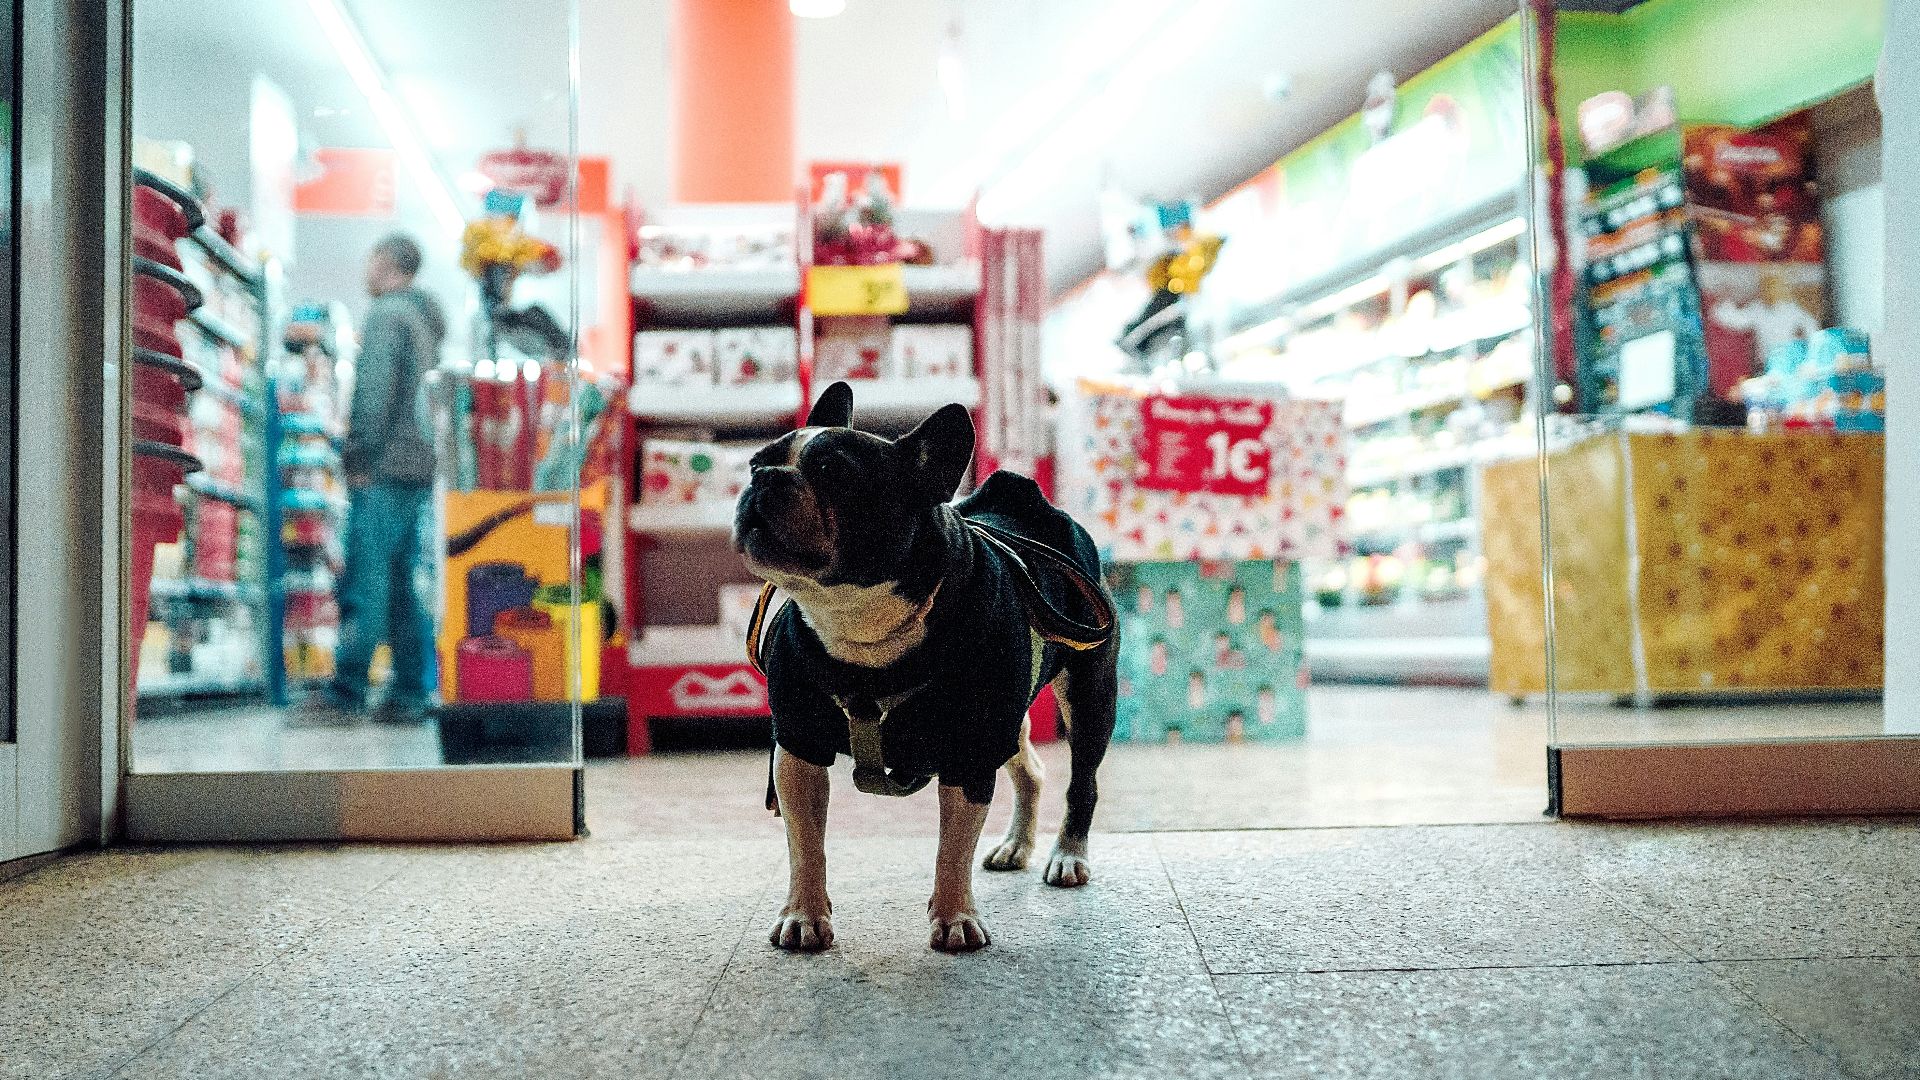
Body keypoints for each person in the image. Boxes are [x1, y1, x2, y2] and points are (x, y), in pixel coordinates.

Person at [295, 234, 445, 724]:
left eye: (371, 259)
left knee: (368, 578)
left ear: (386, 263)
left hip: (383, 465)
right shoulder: (422, 318)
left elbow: (375, 393)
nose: (366, 269)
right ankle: (410, 692)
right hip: (415, 466)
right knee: (401, 581)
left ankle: (348, 689)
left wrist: (358, 454)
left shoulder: (387, 314)